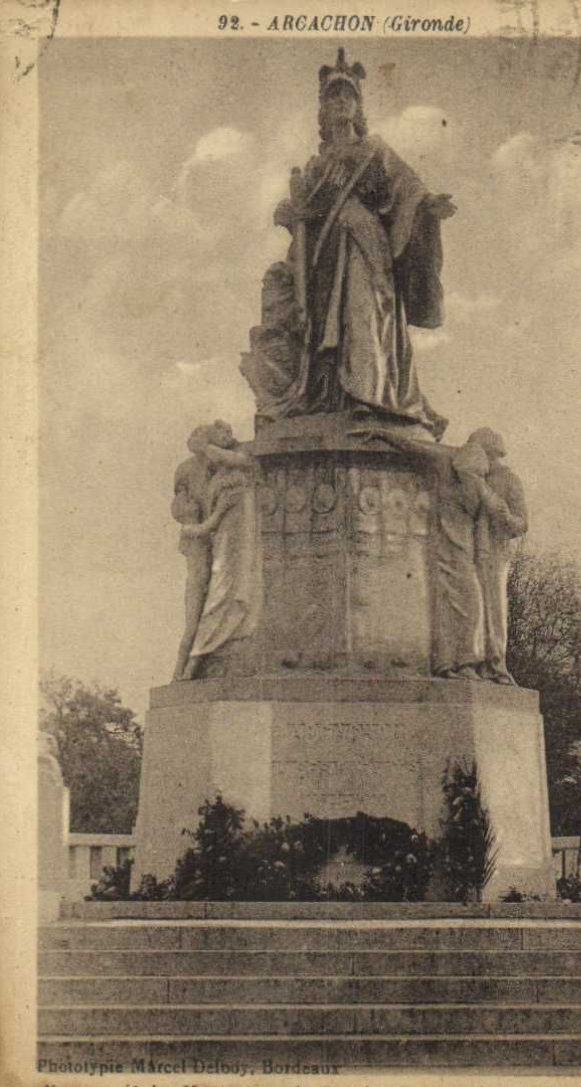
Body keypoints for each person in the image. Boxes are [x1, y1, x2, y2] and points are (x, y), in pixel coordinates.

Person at [254, 49, 455, 436]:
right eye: (334, 97)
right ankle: (333, 398)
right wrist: (290, 217)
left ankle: (370, 396)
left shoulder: (374, 150)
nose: (341, 102)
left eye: (348, 95)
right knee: (324, 330)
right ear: (324, 112)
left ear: (358, 106)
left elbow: (407, 186)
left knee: (362, 318)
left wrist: (428, 206)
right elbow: (306, 216)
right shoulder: (316, 165)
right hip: (325, 257)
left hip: (365, 247)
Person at [350, 425, 488, 679]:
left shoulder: (479, 488)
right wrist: (384, 434)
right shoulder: (446, 463)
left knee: (470, 605)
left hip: (464, 556)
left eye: (471, 475)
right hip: (439, 552)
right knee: (447, 606)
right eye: (464, 472)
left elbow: (501, 519)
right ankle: (449, 664)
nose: (466, 477)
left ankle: (465, 662)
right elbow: (414, 447)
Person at [171, 422, 261, 681]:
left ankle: (188, 668)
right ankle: (188, 667)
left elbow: (242, 461)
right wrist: (219, 511)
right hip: (209, 564)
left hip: (228, 549)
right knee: (199, 617)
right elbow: (206, 525)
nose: (228, 437)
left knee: (217, 603)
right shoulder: (191, 525)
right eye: (220, 433)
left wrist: (204, 447)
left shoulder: (228, 470)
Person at [468, 428, 528, 685]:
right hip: (467, 550)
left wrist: (501, 515)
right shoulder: (470, 478)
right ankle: (473, 660)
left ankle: (495, 664)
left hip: (495, 550)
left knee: (494, 607)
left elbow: (521, 523)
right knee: (472, 607)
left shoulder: (509, 480)